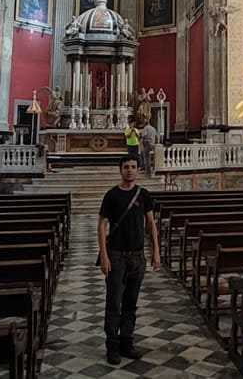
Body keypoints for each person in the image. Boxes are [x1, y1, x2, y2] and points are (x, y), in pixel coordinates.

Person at [97, 155, 160, 365]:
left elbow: (151, 224)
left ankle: (126, 341)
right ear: (120, 170)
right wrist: (104, 256)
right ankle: (112, 345)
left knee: (131, 303)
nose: (130, 170)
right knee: (114, 303)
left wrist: (156, 252)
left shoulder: (144, 195)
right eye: (126, 167)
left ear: (138, 170)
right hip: (116, 256)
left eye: (133, 167)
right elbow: (102, 225)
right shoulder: (112, 195)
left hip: (137, 256)